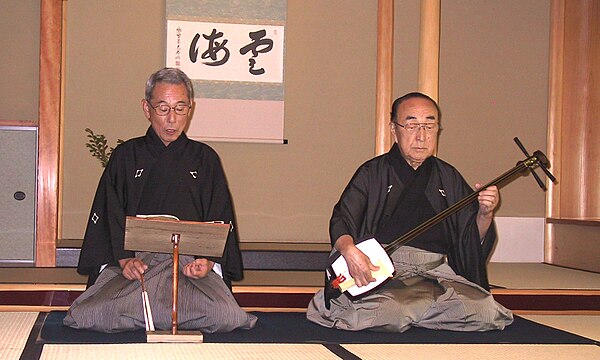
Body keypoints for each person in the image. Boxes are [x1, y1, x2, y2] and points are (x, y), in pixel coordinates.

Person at [64, 67, 257, 333]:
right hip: (138, 265)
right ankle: (159, 314)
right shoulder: (126, 156)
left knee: (227, 316)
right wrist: (123, 261)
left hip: (187, 266)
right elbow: (109, 214)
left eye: (180, 108)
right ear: (147, 108)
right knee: (85, 314)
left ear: (190, 108)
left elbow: (219, 216)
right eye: (163, 108)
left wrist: (207, 261)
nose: (172, 119)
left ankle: (147, 316)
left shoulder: (205, 159)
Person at [307, 92, 513, 332]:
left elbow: (469, 237)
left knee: (487, 312)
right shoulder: (373, 172)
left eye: (429, 125)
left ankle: (414, 313)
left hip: (436, 273)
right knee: (390, 309)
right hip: (386, 273)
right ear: (394, 129)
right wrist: (349, 250)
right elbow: (343, 217)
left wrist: (485, 214)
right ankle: (420, 312)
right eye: (412, 125)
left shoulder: (448, 176)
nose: (421, 136)